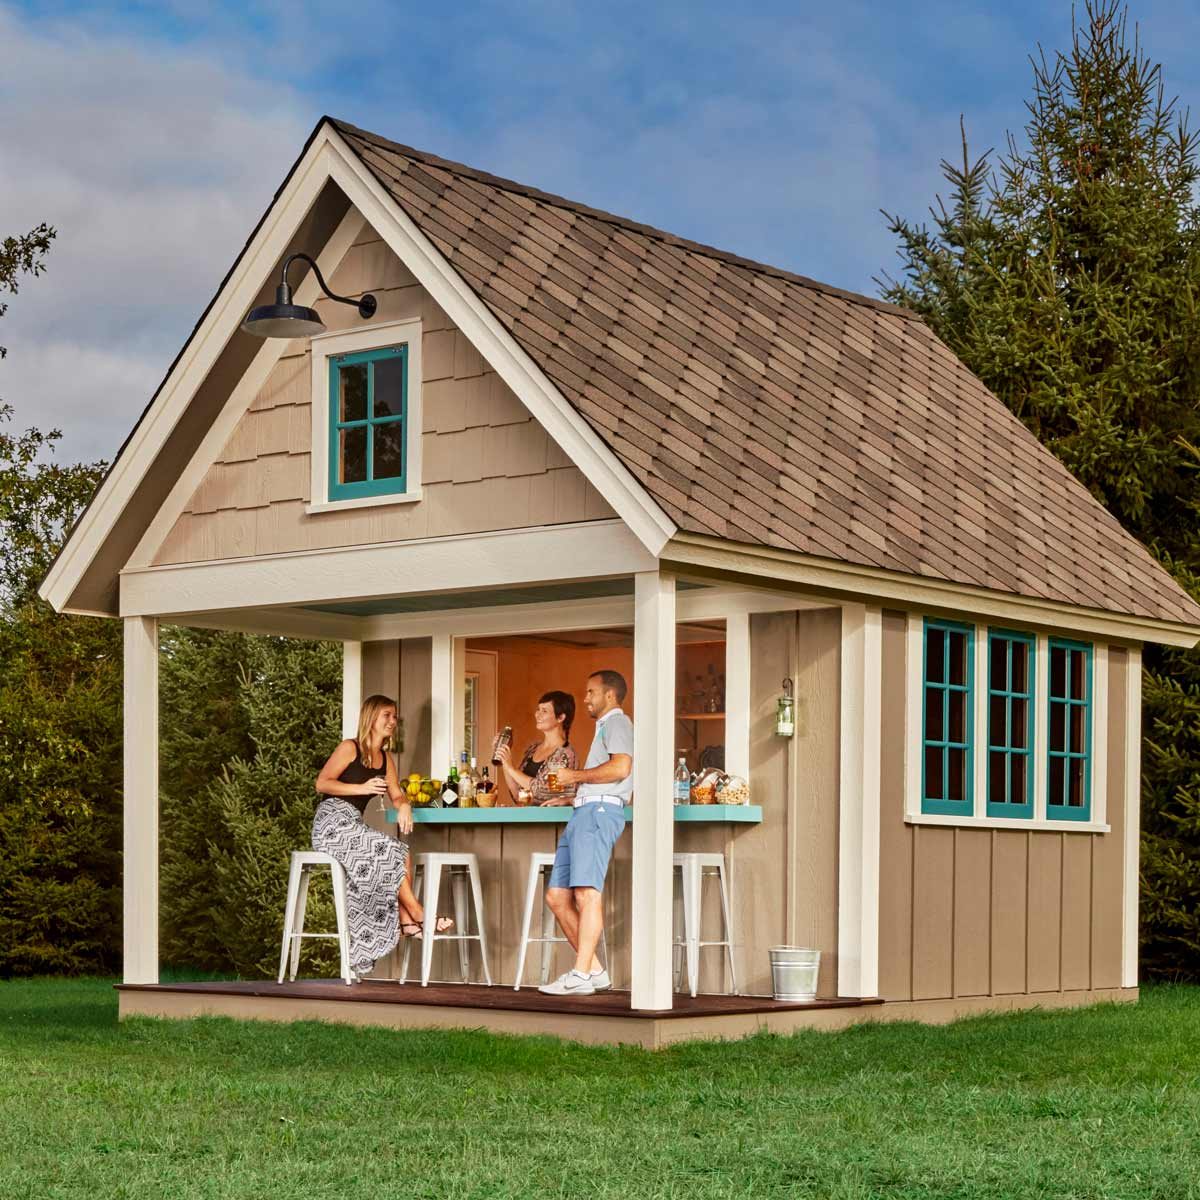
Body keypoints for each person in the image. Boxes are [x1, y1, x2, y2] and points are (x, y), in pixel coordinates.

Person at [312, 694, 451, 980]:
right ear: (371, 718)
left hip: (353, 824)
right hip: (330, 823)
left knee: (399, 850)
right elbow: (322, 783)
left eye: (394, 716)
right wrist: (361, 788)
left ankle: (406, 922)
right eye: (387, 715)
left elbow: (396, 794)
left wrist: (404, 807)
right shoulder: (349, 748)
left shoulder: (385, 759)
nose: (393, 721)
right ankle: (418, 913)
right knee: (388, 849)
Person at [538, 670, 633, 996]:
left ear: (609, 695)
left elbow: (621, 768)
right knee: (557, 896)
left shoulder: (619, 723)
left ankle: (579, 974)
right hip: (584, 810)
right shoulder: (604, 728)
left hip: (599, 813)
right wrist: (573, 794)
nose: (586, 698)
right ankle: (593, 971)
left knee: (586, 893)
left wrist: (573, 776)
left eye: (591, 692)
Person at [494, 691, 578, 805]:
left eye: (544, 711)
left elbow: (543, 793)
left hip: (551, 821)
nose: (537, 714)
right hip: (529, 819)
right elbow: (518, 796)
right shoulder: (533, 749)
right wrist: (504, 756)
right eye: (538, 709)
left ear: (561, 717)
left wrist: (511, 768)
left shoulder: (565, 754)